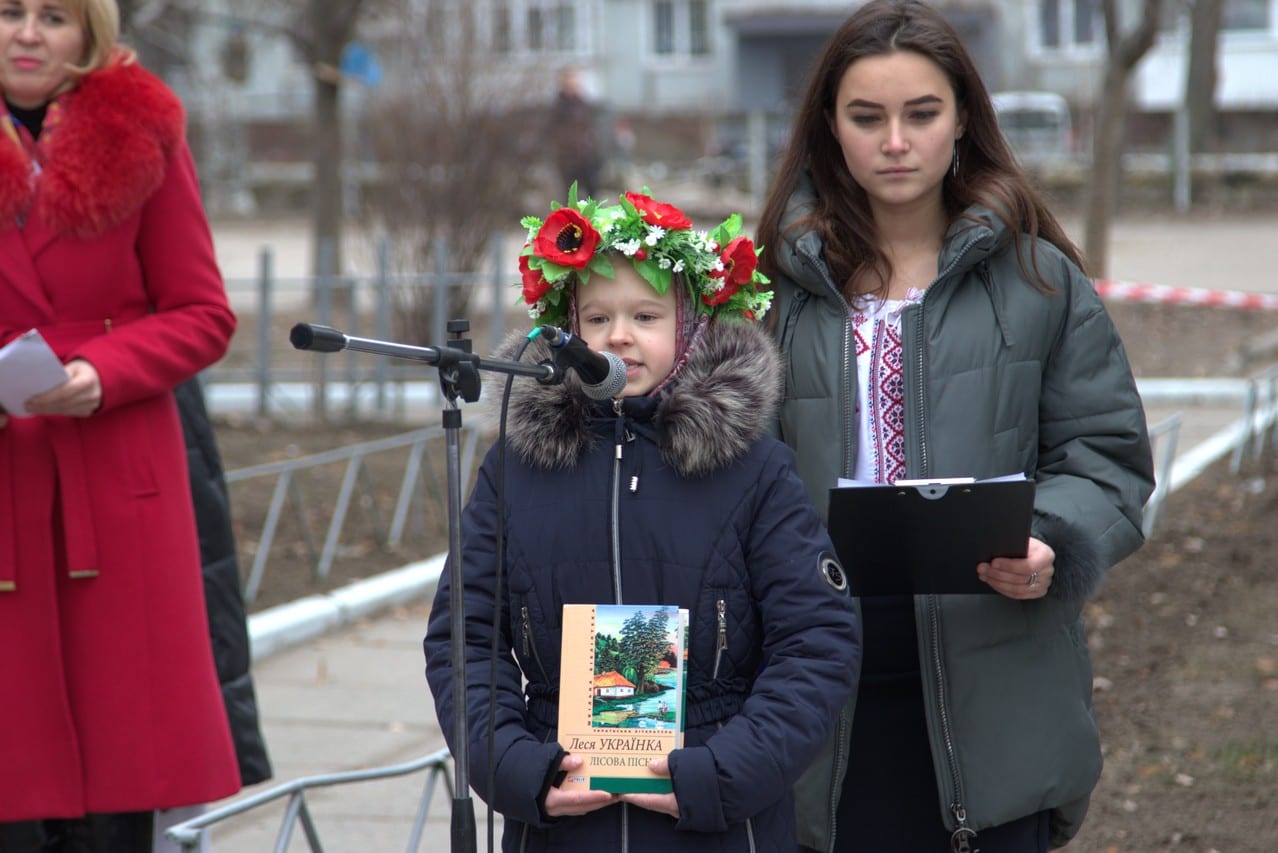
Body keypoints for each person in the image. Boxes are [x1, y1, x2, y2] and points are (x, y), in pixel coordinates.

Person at [753, 2, 1156, 851]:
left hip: (996, 683)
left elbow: (1108, 459)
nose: (895, 141)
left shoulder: (1039, 280)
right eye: (867, 117)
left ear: (964, 116)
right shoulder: (769, 290)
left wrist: (1049, 540)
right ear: (830, 127)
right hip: (813, 686)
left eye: (921, 113)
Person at [423, 185, 861, 851]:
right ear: (569, 329)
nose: (618, 335)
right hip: (560, 822)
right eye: (596, 318)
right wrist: (518, 767)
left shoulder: (755, 469)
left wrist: (717, 774)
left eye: (646, 315)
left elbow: (816, 643)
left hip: (716, 824)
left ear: (691, 328)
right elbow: (464, 640)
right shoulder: (515, 466)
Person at [0, 0, 242, 849]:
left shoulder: (143, 131)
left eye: (52, 15)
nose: (26, 33)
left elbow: (203, 313)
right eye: (7, 11)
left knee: (119, 774)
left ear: (88, 34)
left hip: (116, 478)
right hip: (6, 488)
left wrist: (104, 371)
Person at [549, 67, 602, 198]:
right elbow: (553, 131)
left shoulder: (583, 104)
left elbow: (590, 126)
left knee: (592, 192)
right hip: (567, 158)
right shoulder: (559, 106)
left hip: (586, 157)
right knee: (570, 195)